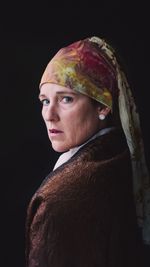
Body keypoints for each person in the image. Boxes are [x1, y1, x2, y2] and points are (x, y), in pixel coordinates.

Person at [25, 36, 150, 267]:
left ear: (103, 105)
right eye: (45, 101)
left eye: (66, 99)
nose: (49, 114)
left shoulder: (59, 201)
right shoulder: (119, 154)